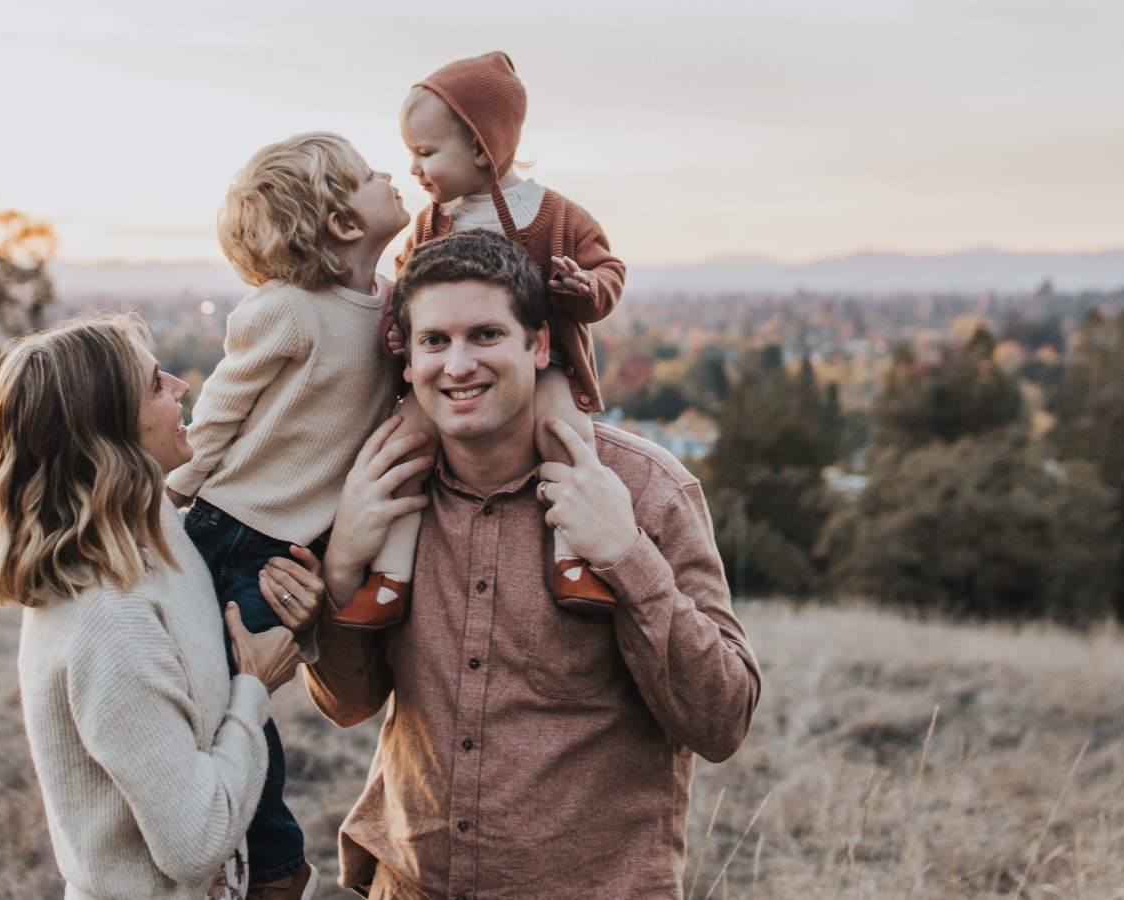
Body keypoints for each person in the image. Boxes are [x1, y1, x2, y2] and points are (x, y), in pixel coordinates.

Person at [307, 231, 761, 899]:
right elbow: (347, 704)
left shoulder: (647, 491)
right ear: (407, 361)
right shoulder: (381, 492)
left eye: (485, 334)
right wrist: (342, 567)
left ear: (540, 345)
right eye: (435, 341)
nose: (457, 365)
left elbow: (722, 720)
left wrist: (624, 556)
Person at [0, 313, 324, 900]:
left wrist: (288, 620)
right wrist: (256, 690)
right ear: (107, 431)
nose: (181, 387)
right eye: (156, 384)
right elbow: (195, 843)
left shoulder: (157, 539)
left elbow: (200, 687)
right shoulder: (109, 618)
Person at [163, 132, 412, 899]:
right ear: (340, 223)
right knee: (223, 698)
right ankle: (271, 865)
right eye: (371, 175)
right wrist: (156, 514)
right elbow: (213, 422)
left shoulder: (394, 307)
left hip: (289, 552)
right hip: (224, 531)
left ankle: (262, 863)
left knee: (238, 697)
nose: (392, 174)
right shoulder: (290, 309)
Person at [337, 51, 627, 630]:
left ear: (480, 148)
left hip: (542, 370)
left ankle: (574, 560)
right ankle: (391, 577)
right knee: (404, 452)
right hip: (444, 379)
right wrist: (399, 332)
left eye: (425, 153)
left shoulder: (556, 217)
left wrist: (581, 285)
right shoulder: (429, 223)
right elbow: (408, 290)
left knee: (568, 440)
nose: (414, 170)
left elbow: (608, 275)